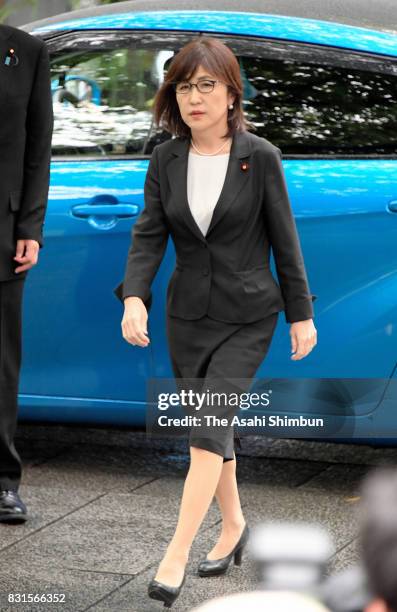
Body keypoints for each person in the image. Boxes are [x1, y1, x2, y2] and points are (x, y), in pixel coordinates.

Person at [114, 36, 317, 608]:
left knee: (206, 430)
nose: (194, 97)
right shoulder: (165, 158)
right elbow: (149, 234)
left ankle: (174, 553)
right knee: (209, 430)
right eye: (183, 86)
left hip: (249, 315)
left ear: (231, 94)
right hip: (186, 317)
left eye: (207, 85)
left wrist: (300, 314)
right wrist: (135, 298)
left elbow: (285, 240)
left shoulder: (261, 156)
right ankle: (234, 527)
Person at [0, 24, 53, 522]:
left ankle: (2, 481)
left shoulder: (27, 51)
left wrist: (30, 226)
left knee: (1, 364)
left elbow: (39, 148)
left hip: (3, 234)